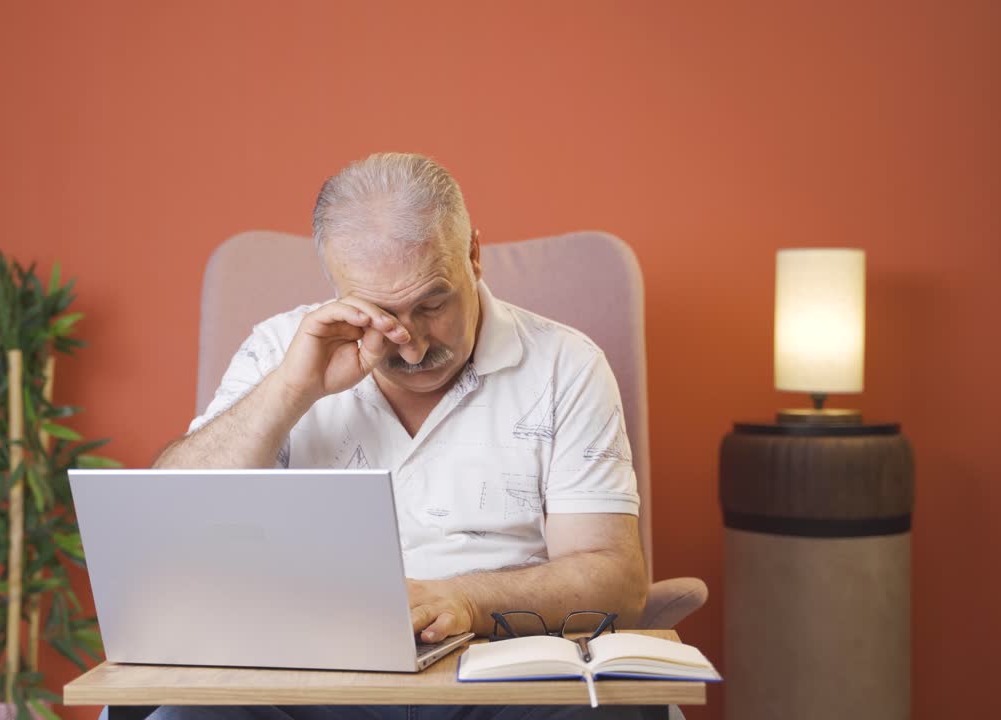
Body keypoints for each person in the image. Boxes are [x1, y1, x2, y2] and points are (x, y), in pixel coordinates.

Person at [148, 153, 661, 720]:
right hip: (309, 680)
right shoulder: (278, 351)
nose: (412, 346)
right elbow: (173, 519)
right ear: (337, 285)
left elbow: (615, 580)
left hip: (500, 675)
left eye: (432, 304)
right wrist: (291, 390)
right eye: (378, 315)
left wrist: (467, 599)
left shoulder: (566, 364)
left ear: (473, 257)